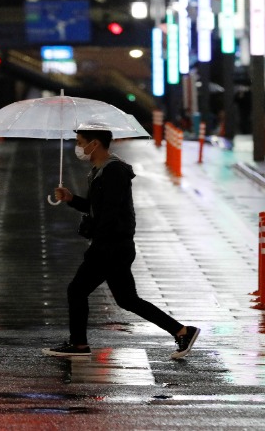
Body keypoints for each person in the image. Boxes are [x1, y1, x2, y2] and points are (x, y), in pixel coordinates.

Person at [44, 126, 200, 359]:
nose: (78, 148)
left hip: (111, 246)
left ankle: (78, 346)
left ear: (94, 144)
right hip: (115, 245)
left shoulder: (113, 171)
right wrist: (71, 198)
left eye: (80, 142)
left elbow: (111, 212)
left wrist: (97, 242)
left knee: (77, 291)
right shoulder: (100, 170)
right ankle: (182, 331)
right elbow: (97, 207)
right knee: (128, 299)